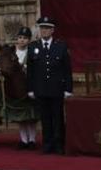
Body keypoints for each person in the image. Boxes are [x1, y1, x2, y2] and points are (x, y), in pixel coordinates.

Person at [27, 16, 73, 155]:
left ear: (52, 30)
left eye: (47, 28)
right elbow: (31, 70)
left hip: (57, 88)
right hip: (41, 89)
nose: (44, 31)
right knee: (45, 118)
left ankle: (59, 143)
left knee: (57, 117)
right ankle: (47, 143)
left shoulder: (61, 46)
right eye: (42, 28)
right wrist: (30, 88)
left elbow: (67, 69)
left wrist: (68, 89)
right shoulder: (33, 47)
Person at [0, 27, 38, 148]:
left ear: (29, 40)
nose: (22, 40)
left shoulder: (32, 51)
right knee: (20, 116)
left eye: (25, 38)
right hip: (14, 89)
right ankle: (23, 140)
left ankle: (32, 139)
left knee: (30, 116)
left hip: (28, 87)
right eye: (20, 38)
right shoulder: (11, 52)